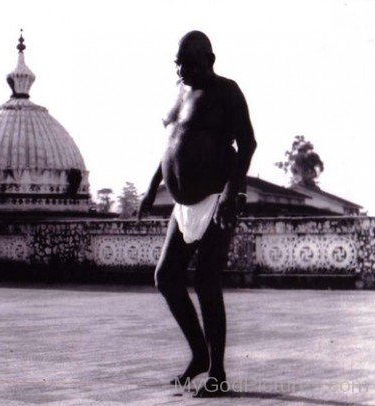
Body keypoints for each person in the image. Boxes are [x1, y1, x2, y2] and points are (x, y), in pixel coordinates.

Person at [137, 31, 256, 397]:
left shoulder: (226, 91)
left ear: (210, 59)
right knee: (166, 277)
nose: (182, 68)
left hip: (216, 197)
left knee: (206, 281)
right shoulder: (176, 92)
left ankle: (217, 373)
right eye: (177, 62)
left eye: (189, 62)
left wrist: (230, 193)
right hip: (182, 204)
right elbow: (170, 146)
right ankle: (199, 356)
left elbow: (247, 142)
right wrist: (150, 189)